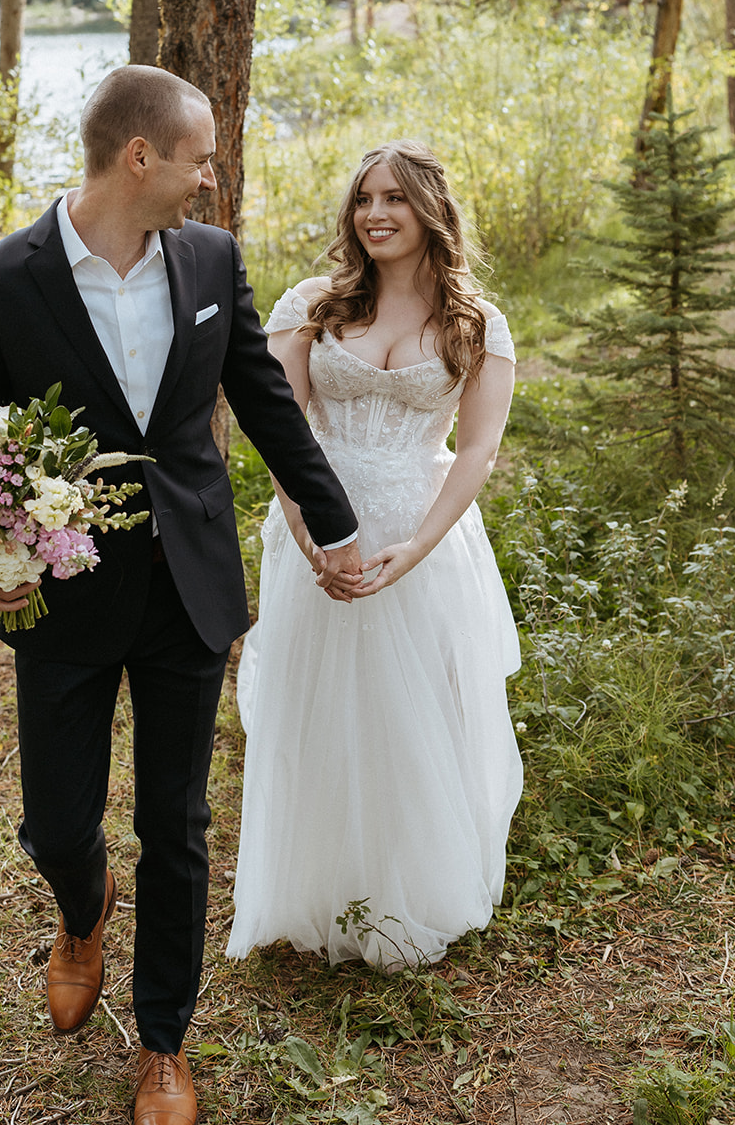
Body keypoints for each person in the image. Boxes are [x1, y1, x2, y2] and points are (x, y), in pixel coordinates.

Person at [0, 66, 363, 1125]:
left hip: (189, 586)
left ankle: (164, 1042)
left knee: (175, 823)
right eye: (199, 158)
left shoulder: (211, 258)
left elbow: (261, 400)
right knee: (56, 822)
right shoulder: (0, 278)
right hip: (65, 595)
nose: (209, 180)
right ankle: (83, 912)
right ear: (141, 157)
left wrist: (336, 521)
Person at [226, 140, 523, 972]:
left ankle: (408, 890)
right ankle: (317, 887)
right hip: (318, 533)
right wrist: (311, 538)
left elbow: (474, 453)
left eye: (393, 198)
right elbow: (277, 428)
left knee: (415, 713)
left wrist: (416, 550)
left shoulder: (475, 324)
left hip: (422, 539)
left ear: (430, 209)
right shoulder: (312, 305)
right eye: (362, 199)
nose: (374, 214)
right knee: (316, 709)